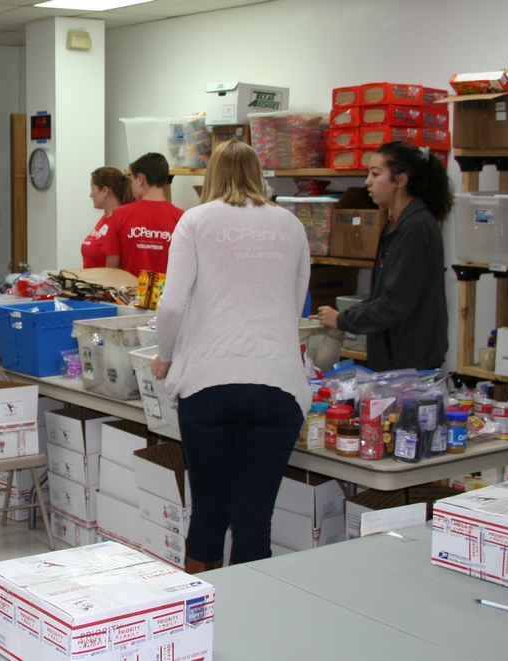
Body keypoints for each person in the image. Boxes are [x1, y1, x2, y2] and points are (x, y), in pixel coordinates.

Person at [151, 141, 311, 572]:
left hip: (208, 384)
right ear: (258, 172)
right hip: (278, 383)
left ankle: (198, 619)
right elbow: (295, 302)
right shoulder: (290, 224)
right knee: (255, 518)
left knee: (208, 511)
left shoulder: (195, 220)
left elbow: (171, 305)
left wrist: (165, 356)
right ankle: (250, 620)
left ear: (212, 175)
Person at [311, 141, 451, 371]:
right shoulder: (395, 225)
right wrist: (345, 315)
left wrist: (342, 320)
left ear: (401, 180)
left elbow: (395, 303)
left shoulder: (416, 227)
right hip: (392, 355)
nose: (368, 181)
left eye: (375, 174)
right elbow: (381, 295)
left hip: (410, 361)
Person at [102, 152, 184, 276]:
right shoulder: (182, 218)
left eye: (132, 180)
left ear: (140, 179)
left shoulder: (120, 215)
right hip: (165, 294)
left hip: (127, 294)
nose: (131, 186)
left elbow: (111, 271)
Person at [82, 166, 134, 268]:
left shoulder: (122, 221)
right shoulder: (104, 218)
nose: (91, 195)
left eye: (93, 189)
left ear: (105, 191)